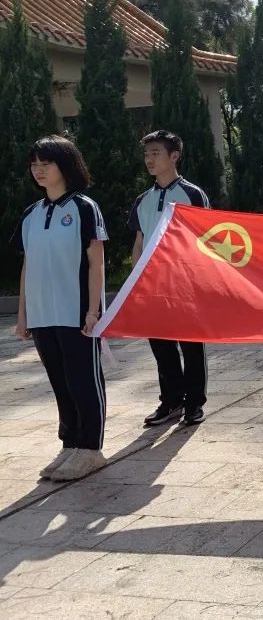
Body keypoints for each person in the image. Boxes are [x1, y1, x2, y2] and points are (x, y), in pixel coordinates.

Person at [12, 135, 109, 481]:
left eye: (46, 163)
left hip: (76, 312)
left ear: (65, 165)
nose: (38, 170)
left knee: (83, 381)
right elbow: (28, 266)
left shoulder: (84, 207)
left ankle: (90, 449)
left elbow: (96, 262)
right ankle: (70, 445)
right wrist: (23, 315)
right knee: (60, 382)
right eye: (34, 164)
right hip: (42, 315)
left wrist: (94, 310)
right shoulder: (31, 214)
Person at [128, 130, 211, 427]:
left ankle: (194, 403)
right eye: (146, 154)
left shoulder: (192, 194)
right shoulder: (143, 200)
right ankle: (172, 400)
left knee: (191, 345)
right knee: (161, 346)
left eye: (156, 153)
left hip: (185, 283)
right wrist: (137, 280)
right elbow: (139, 241)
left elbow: (206, 237)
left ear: (174, 156)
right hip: (153, 285)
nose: (149, 159)